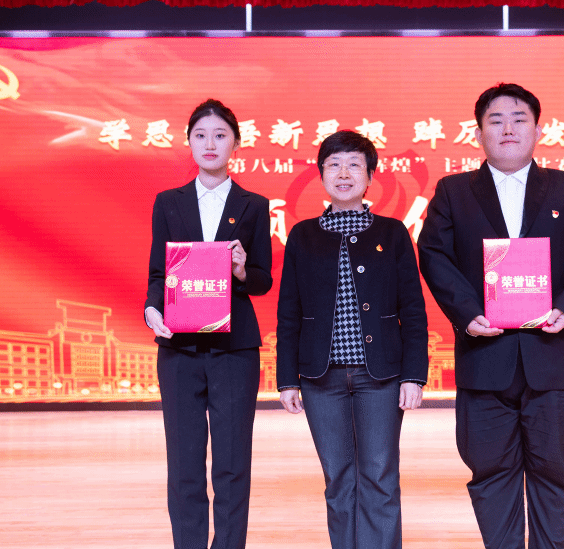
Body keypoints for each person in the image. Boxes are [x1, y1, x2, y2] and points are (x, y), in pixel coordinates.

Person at [417, 83, 564, 549]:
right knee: (490, 474)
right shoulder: (453, 192)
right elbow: (433, 255)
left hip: (553, 358)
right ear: (478, 133)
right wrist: (467, 313)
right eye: (496, 120)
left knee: (558, 474)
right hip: (485, 359)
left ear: (538, 130)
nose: (508, 128)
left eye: (519, 119)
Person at [276, 130, 429, 549]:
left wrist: (413, 375)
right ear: (321, 175)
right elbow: (289, 312)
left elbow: (413, 310)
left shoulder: (393, 233)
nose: (344, 173)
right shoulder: (302, 235)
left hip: (380, 377)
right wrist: (287, 379)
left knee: (379, 476)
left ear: (370, 176)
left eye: (354, 165)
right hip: (320, 379)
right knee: (337, 479)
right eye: (334, 165)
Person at [144, 99, 273, 549]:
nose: (210, 143)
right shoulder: (169, 202)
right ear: (189, 142)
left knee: (233, 463)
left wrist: (240, 270)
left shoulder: (254, 205)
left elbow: (262, 279)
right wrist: (152, 310)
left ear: (236, 143)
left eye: (220, 135)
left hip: (234, 351)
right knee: (184, 463)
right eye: (200, 135)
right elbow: (158, 273)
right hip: (179, 349)